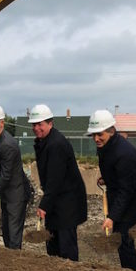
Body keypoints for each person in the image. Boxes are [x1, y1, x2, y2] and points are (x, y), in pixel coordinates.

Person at [87, 109, 136, 271]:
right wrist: (108, 178)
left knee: (123, 238)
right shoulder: (107, 145)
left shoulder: (125, 154)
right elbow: (116, 173)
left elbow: (126, 190)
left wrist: (112, 217)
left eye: (100, 134)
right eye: (93, 135)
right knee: (121, 239)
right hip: (124, 195)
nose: (96, 138)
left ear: (111, 130)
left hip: (135, 201)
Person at [29, 104, 87, 260]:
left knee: (66, 245)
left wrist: (44, 205)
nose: (36, 128)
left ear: (50, 123)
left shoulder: (56, 144)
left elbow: (56, 179)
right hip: (57, 200)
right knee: (53, 241)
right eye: (34, 124)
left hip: (67, 203)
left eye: (40, 124)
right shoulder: (45, 141)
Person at [0, 103, 30, 250]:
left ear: (1, 123)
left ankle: (16, 264)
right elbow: (4, 169)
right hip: (8, 194)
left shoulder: (7, 144)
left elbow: (7, 175)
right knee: (7, 233)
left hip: (16, 195)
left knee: (13, 235)